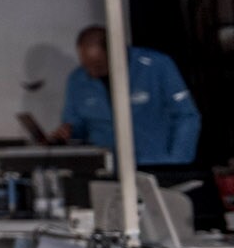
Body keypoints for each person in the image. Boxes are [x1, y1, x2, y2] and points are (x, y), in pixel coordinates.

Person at [52, 24, 200, 166]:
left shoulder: (157, 66)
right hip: (108, 170)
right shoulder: (77, 79)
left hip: (155, 164)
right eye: (86, 65)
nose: (92, 72)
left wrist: (177, 161)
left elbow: (186, 116)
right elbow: (75, 125)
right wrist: (67, 133)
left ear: (115, 53)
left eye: (97, 65)